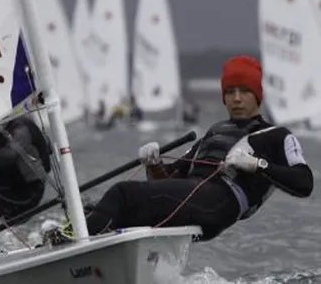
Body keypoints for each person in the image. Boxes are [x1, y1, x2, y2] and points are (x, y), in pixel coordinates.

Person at [46, 55, 313, 244]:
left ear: (257, 95)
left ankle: (70, 243)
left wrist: (258, 165)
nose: (236, 98)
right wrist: (154, 164)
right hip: (193, 197)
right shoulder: (215, 131)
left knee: (123, 194)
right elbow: (167, 182)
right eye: (230, 91)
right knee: (96, 208)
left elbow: (305, 182)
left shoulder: (277, 135)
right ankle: (71, 249)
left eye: (244, 91)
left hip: (222, 202)